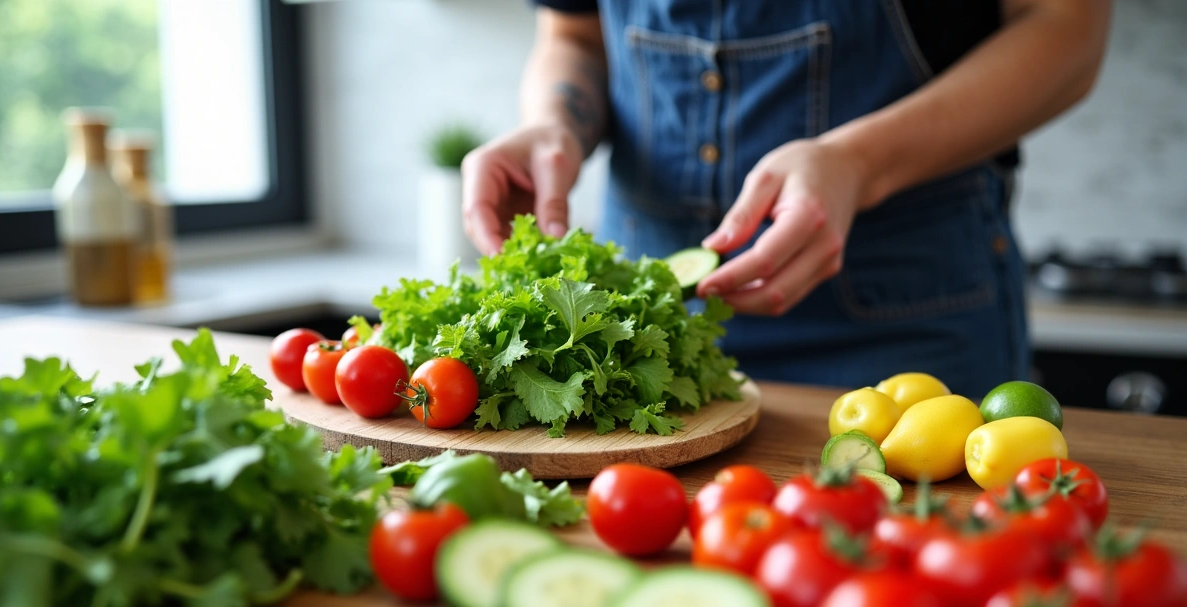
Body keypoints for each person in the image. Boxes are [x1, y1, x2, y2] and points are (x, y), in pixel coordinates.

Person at [461, 0, 1111, 397]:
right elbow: (574, 36)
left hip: (907, 321)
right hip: (640, 332)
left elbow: (1065, 27)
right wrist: (556, 124)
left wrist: (856, 163)